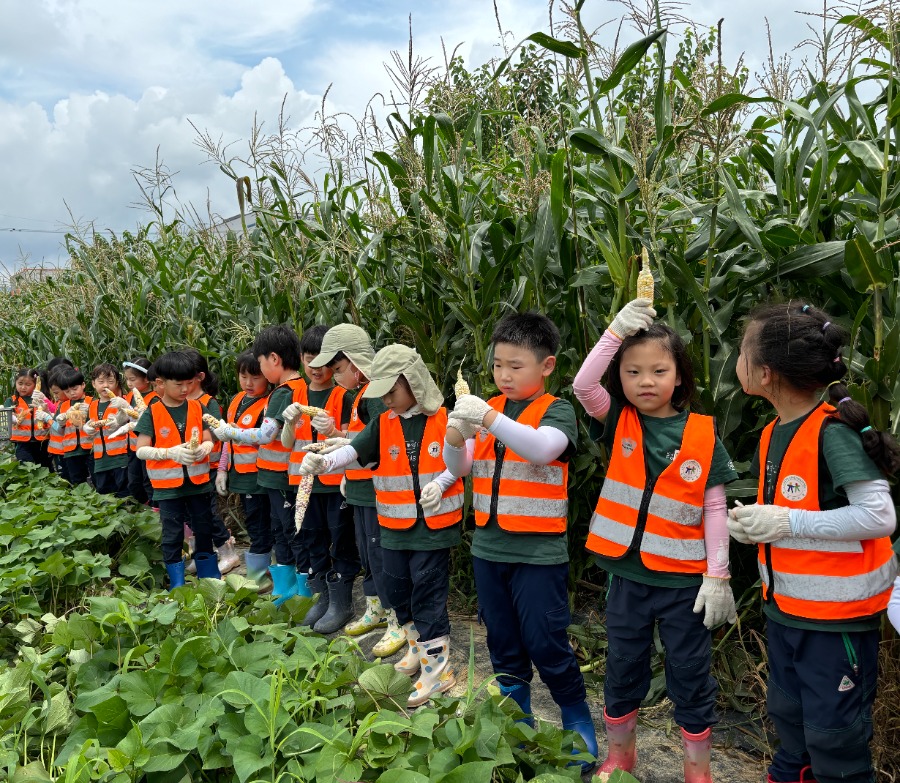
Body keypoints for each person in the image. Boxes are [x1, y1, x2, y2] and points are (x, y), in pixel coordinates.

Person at [728, 303, 899, 783]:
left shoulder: (830, 433)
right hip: (787, 612)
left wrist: (785, 522)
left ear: (764, 372)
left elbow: (878, 515)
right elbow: (792, 515)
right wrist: (756, 526)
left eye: (740, 352)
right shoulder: (772, 432)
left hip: (835, 621)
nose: (734, 360)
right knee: (788, 716)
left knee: (833, 736)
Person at [575, 298, 739, 780]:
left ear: (680, 377)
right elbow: (584, 385)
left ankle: (697, 770)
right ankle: (621, 758)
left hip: (685, 583)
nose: (645, 382)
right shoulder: (618, 421)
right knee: (623, 666)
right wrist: (613, 332)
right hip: (628, 577)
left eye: (658, 370)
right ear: (620, 378)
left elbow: (714, 507)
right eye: (632, 372)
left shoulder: (704, 434)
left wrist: (718, 573)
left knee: (690, 675)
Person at [443, 313, 600, 769]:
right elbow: (462, 465)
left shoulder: (557, 410)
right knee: (503, 641)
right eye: (497, 366)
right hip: (489, 550)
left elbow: (540, 449)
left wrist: (486, 417)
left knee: (546, 640)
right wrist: (457, 434)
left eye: (516, 365)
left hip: (537, 553)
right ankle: (518, 719)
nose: (504, 375)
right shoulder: (488, 406)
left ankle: (575, 714)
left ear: (546, 365)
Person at [299, 344, 463, 707]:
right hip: (393, 526)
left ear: (414, 383)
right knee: (397, 589)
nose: (386, 399)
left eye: (392, 390)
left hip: (433, 528)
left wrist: (443, 483)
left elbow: (462, 463)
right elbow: (354, 450)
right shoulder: (384, 422)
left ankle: (438, 670)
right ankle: (419, 651)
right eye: (382, 392)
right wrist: (324, 463)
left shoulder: (444, 420)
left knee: (428, 595)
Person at [308, 323, 405, 656]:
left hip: (379, 489)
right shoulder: (359, 395)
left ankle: (397, 619)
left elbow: (380, 441)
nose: (335, 376)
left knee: (380, 555)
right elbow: (361, 438)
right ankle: (376, 608)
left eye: (337, 369)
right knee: (367, 552)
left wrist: (337, 437)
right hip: (360, 488)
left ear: (354, 362)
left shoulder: (375, 396)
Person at [209, 325, 309, 605]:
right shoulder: (299, 387)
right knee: (283, 530)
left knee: (288, 531)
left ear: (274, 359)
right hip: (280, 475)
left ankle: (299, 591)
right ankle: (288, 587)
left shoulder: (282, 393)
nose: (260, 372)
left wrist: (231, 433)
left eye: (261, 364)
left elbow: (266, 434)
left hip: (281, 475)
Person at [281, 325, 359, 633]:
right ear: (301, 358)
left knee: (340, 539)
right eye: (309, 359)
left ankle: (342, 602)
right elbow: (288, 444)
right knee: (311, 538)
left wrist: (334, 432)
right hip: (302, 482)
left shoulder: (344, 396)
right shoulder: (294, 394)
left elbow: (353, 441)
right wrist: (289, 423)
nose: (316, 368)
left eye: (324, 362)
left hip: (334, 482)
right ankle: (322, 597)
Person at [133, 350, 221, 589]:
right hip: (167, 488)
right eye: (179, 384)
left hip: (199, 482)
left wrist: (205, 447)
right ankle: (177, 583)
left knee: (203, 529)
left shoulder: (197, 408)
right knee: (172, 535)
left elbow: (207, 437)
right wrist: (169, 453)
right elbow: (140, 449)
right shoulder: (153, 411)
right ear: (160, 383)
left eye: (189, 383)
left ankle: (209, 578)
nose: (185, 389)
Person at [215, 351, 272, 588]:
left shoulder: (269, 403)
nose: (248, 383)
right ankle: (262, 572)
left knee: (264, 524)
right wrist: (222, 468)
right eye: (243, 376)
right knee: (255, 522)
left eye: (255, 377)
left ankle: (259, 577)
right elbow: (229, 438)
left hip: (263, 476)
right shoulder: (237, 400)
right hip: (243, 475)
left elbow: (266, 438)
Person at [181, 348, 239, 574]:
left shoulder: (208, 402)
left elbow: (215, 434)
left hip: (209, 467)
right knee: (190, 514)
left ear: (199, 377)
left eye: (186, 378)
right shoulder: (180, 402)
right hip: (187, 467)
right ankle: (201, 553)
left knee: (209, 513)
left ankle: (228, 552)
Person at [83, 364, 131, 497]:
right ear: (93, 384)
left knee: (124, 492)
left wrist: (124, 414)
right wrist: (86, 428)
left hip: (120, 456)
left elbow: (132, 420)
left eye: (110, 382)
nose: (106, 385)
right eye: (101, 381)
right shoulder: (92, 405)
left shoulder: (121, 402)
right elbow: (88, 424)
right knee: (104, 492)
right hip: (100, 458)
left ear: (117, 384)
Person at [120, 358, 157, 504]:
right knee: (134, 483)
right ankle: (144, 506)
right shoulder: (129, 396)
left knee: (148, 482)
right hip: (132, 447)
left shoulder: (154, 398)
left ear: (147, 379)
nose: (129, 383)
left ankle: (155, 510)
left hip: (147, 448)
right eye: (127, 379)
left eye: (133, 379)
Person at [50, 366, 94, 485]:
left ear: (83, 385)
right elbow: (58, 430)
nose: (72, 393)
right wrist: (61, 423)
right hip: (71, 450)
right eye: (67, 391)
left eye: (75, 389)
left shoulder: (93, 402)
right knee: (77, 482)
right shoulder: (63, 406)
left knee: (97, 480)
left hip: (91, 448)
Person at [5, 368, 53, 467]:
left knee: (45, 466)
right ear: (15, 383)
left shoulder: (41, 399)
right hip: (22, 442)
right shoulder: (12, 401)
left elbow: (51, 413)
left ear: (36, 384)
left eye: (28, 384)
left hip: (42, 440)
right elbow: (7, 417)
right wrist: (14, 419)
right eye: (20, 383)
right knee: (26, 466)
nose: (23, 387)